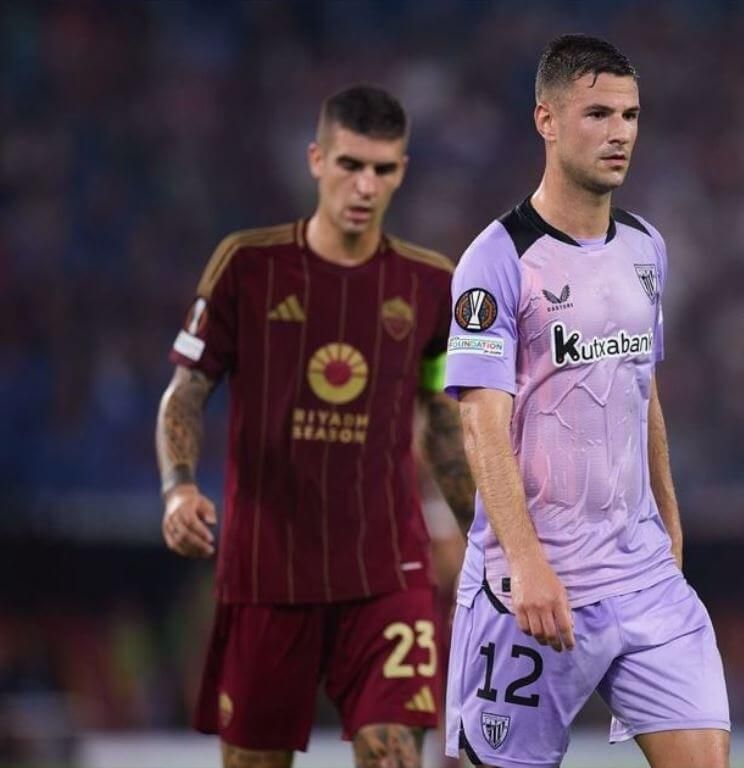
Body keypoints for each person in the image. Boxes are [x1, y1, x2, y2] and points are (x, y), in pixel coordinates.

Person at [156, 85, 474, 768]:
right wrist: (178, 487)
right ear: (315, 159)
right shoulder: (248, 265)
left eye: (382, 170)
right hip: (268, 573)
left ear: (402, 171)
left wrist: (493, 539)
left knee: (393, 757)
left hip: (387, 571)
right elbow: (186, 392)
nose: (365, 186)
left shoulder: (429, 285)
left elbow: (444, 424)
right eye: (350, 164)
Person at [443, 34, 731, 768]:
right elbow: (479, 423)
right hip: (533, 589)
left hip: (642, 579)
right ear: (546, 119)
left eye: (630, 116)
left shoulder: (645, 248)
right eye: (597, 114)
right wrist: (527, 560)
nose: (619, 134)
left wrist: (668, 517)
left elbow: (643, 390)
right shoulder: (496, 260)